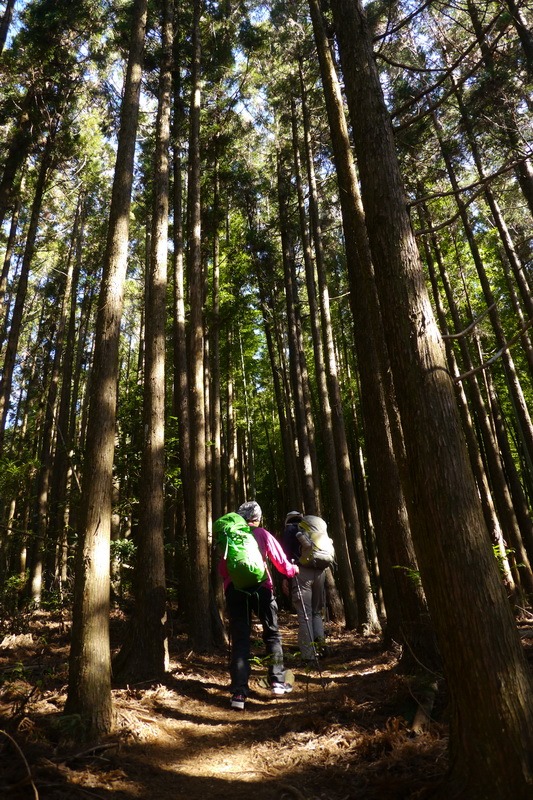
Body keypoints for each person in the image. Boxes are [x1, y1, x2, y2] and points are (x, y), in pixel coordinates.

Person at [219, 500, 299, 711]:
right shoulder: (262, 534)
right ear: (257, 517)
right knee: (272, 634)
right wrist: (292, 571)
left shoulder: (230, 536)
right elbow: (281, 562)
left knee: (241, 639)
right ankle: (277, 682)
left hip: (235, 591)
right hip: (262, 589)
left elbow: (223, 569)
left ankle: (238, 693)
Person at [281, 511, 328, 665]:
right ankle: (321, 647)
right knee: (315, 613)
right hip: (320, 571)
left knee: (304, 615)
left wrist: (286, 578)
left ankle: (308, 655)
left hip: (301, 573)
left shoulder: (290, 531)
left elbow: (287, 556)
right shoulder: (310, 530)